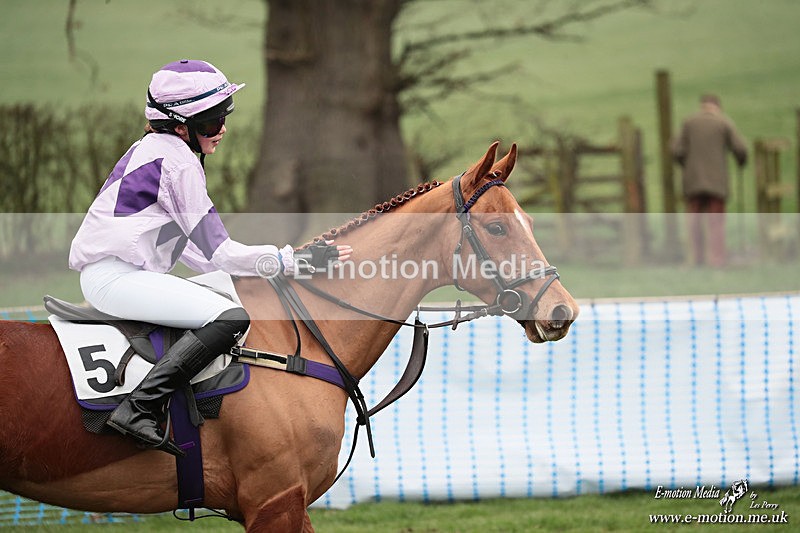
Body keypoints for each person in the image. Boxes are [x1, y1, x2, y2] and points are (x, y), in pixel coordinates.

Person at [69, 59, 351, 456]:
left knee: (225, 295)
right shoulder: (178, 162)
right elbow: (222, 251)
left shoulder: (158, 149)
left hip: (119, 275)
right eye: (211, 122)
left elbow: (202, 254)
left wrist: (265, 271)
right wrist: (294, 261)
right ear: (180, 125)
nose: (222, 131)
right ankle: (140, 406)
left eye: (223, 118)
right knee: (231, 318)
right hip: (116, 279)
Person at [672, 94, 748, 267]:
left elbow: (676, 150)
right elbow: (741, 149)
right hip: (716, 183)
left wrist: (686, 164)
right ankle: (717, 259)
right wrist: (741, 161)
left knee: (694, 222)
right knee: (716, 222)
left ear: (702, 106)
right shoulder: (723, 122)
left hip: (693, 182)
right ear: (717, 107)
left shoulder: (689, 122)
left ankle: (695, 259)